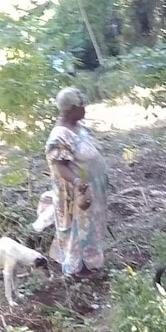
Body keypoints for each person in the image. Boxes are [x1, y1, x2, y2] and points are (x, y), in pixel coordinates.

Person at [44, 88, 109, 279]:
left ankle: (91, 262)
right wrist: (77, 181)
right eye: (82, 106)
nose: (85, 109)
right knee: (78, 229)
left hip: (90, 187)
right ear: (71, 109)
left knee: (91, 226)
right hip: (75, 192)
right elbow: (59, 166)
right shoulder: (59, 136)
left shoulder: (77, 127)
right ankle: (79, 269)